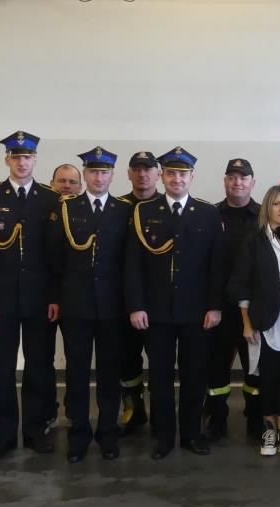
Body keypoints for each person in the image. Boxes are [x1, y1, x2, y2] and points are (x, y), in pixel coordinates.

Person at [124, 146, 224, 459]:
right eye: (171, 173)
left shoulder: (208, 213)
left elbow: (217, 266)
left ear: (192, 176)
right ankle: (164, 437)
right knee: (160, 377)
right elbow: (133, 265)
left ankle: (192, 434)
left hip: (197, 312)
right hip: (156, 312)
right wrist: (136, 305)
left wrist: (215, 306)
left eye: (182, 174)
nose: (176, 179)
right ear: (161, 176)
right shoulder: (144, 212)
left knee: (195, 375)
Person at [0, 131, 61, 459]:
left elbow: (56, 256)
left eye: (27, 157)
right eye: (16, 157)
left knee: (38, 367)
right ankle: (6, 436)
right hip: (2, 300)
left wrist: (55, 297)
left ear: (35, 160)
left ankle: (35, 432)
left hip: (40, 300)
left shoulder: (50, 198)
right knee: (3, 369)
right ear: (6, 160)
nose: (22, 163)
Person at [50, 146, 132, 463]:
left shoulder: (125, 210)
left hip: (112, 307)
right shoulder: (68, 208)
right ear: (84, 175)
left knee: (110, 374)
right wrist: (57, 297)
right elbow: (56, 258)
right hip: (76, 305)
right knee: (77, 374)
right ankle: (79, 435)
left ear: (112, 175)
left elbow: (129, 262)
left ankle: (108, 434)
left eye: (104, 172)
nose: (99, 178)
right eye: (93, 172)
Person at [227, 186, 280, 459]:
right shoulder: (254, 240)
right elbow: (241, 283)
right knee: (268, 376)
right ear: (267, 207)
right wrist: (246, 323)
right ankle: (269, 431)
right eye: (276, 204)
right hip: (264, 318)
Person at [208, 158, 263, 441]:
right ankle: (217, 420)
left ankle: (255, 419)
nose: (237, 182)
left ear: (253, 182)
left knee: (255, 368)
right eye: (232, 177)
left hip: (253, 308)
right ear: (225, 181)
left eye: (243, 178)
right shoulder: (210, 215)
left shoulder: (264, 216)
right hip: (220, 307)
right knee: (216, 367)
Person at [117, 151, 162, 435]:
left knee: (159, 361)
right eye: (137, 169)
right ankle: (134, 411)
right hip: (123, 300)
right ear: (129, 174)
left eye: (148, 169)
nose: (143, 174)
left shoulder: (167, 206)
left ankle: (160, 415)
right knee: (127, 360)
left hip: (159, 301)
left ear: (157, 174)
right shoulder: (117, 208)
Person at [42, 163, 83, 432]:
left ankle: (74, 412)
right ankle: (47, 412)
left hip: (74, 299)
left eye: (72, 181)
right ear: (52, 183)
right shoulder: (41, 209)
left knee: (75, 359)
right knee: (42, 359)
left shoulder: (85, 212)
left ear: (80, 186)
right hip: (43, 297)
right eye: (62, 181)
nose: (67, 186)